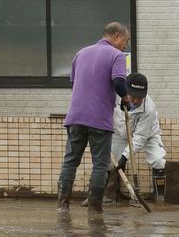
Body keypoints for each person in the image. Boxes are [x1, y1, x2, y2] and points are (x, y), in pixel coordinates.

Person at [57, 21, 130, 213]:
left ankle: (63, 205)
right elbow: (119, 82)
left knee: (70, 161)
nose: (125, 46)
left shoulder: (80, 53)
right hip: (99, 120)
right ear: (117, 37)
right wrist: (126, 97)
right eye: (126, 41)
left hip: (75, 117)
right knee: (99, 164)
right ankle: (95, 208)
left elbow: (75, 84)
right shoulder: (117, 55)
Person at [111, 72, 166, 201]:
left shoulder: (149, 109)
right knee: (112, 162)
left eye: (139, 98)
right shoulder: (114, 97)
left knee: (158, 160)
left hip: (148, 134)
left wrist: (125, 156)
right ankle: (113, 194)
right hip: (121, 132)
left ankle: (159, 198)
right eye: (133, 97)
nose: (135, 101)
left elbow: (140, 138)